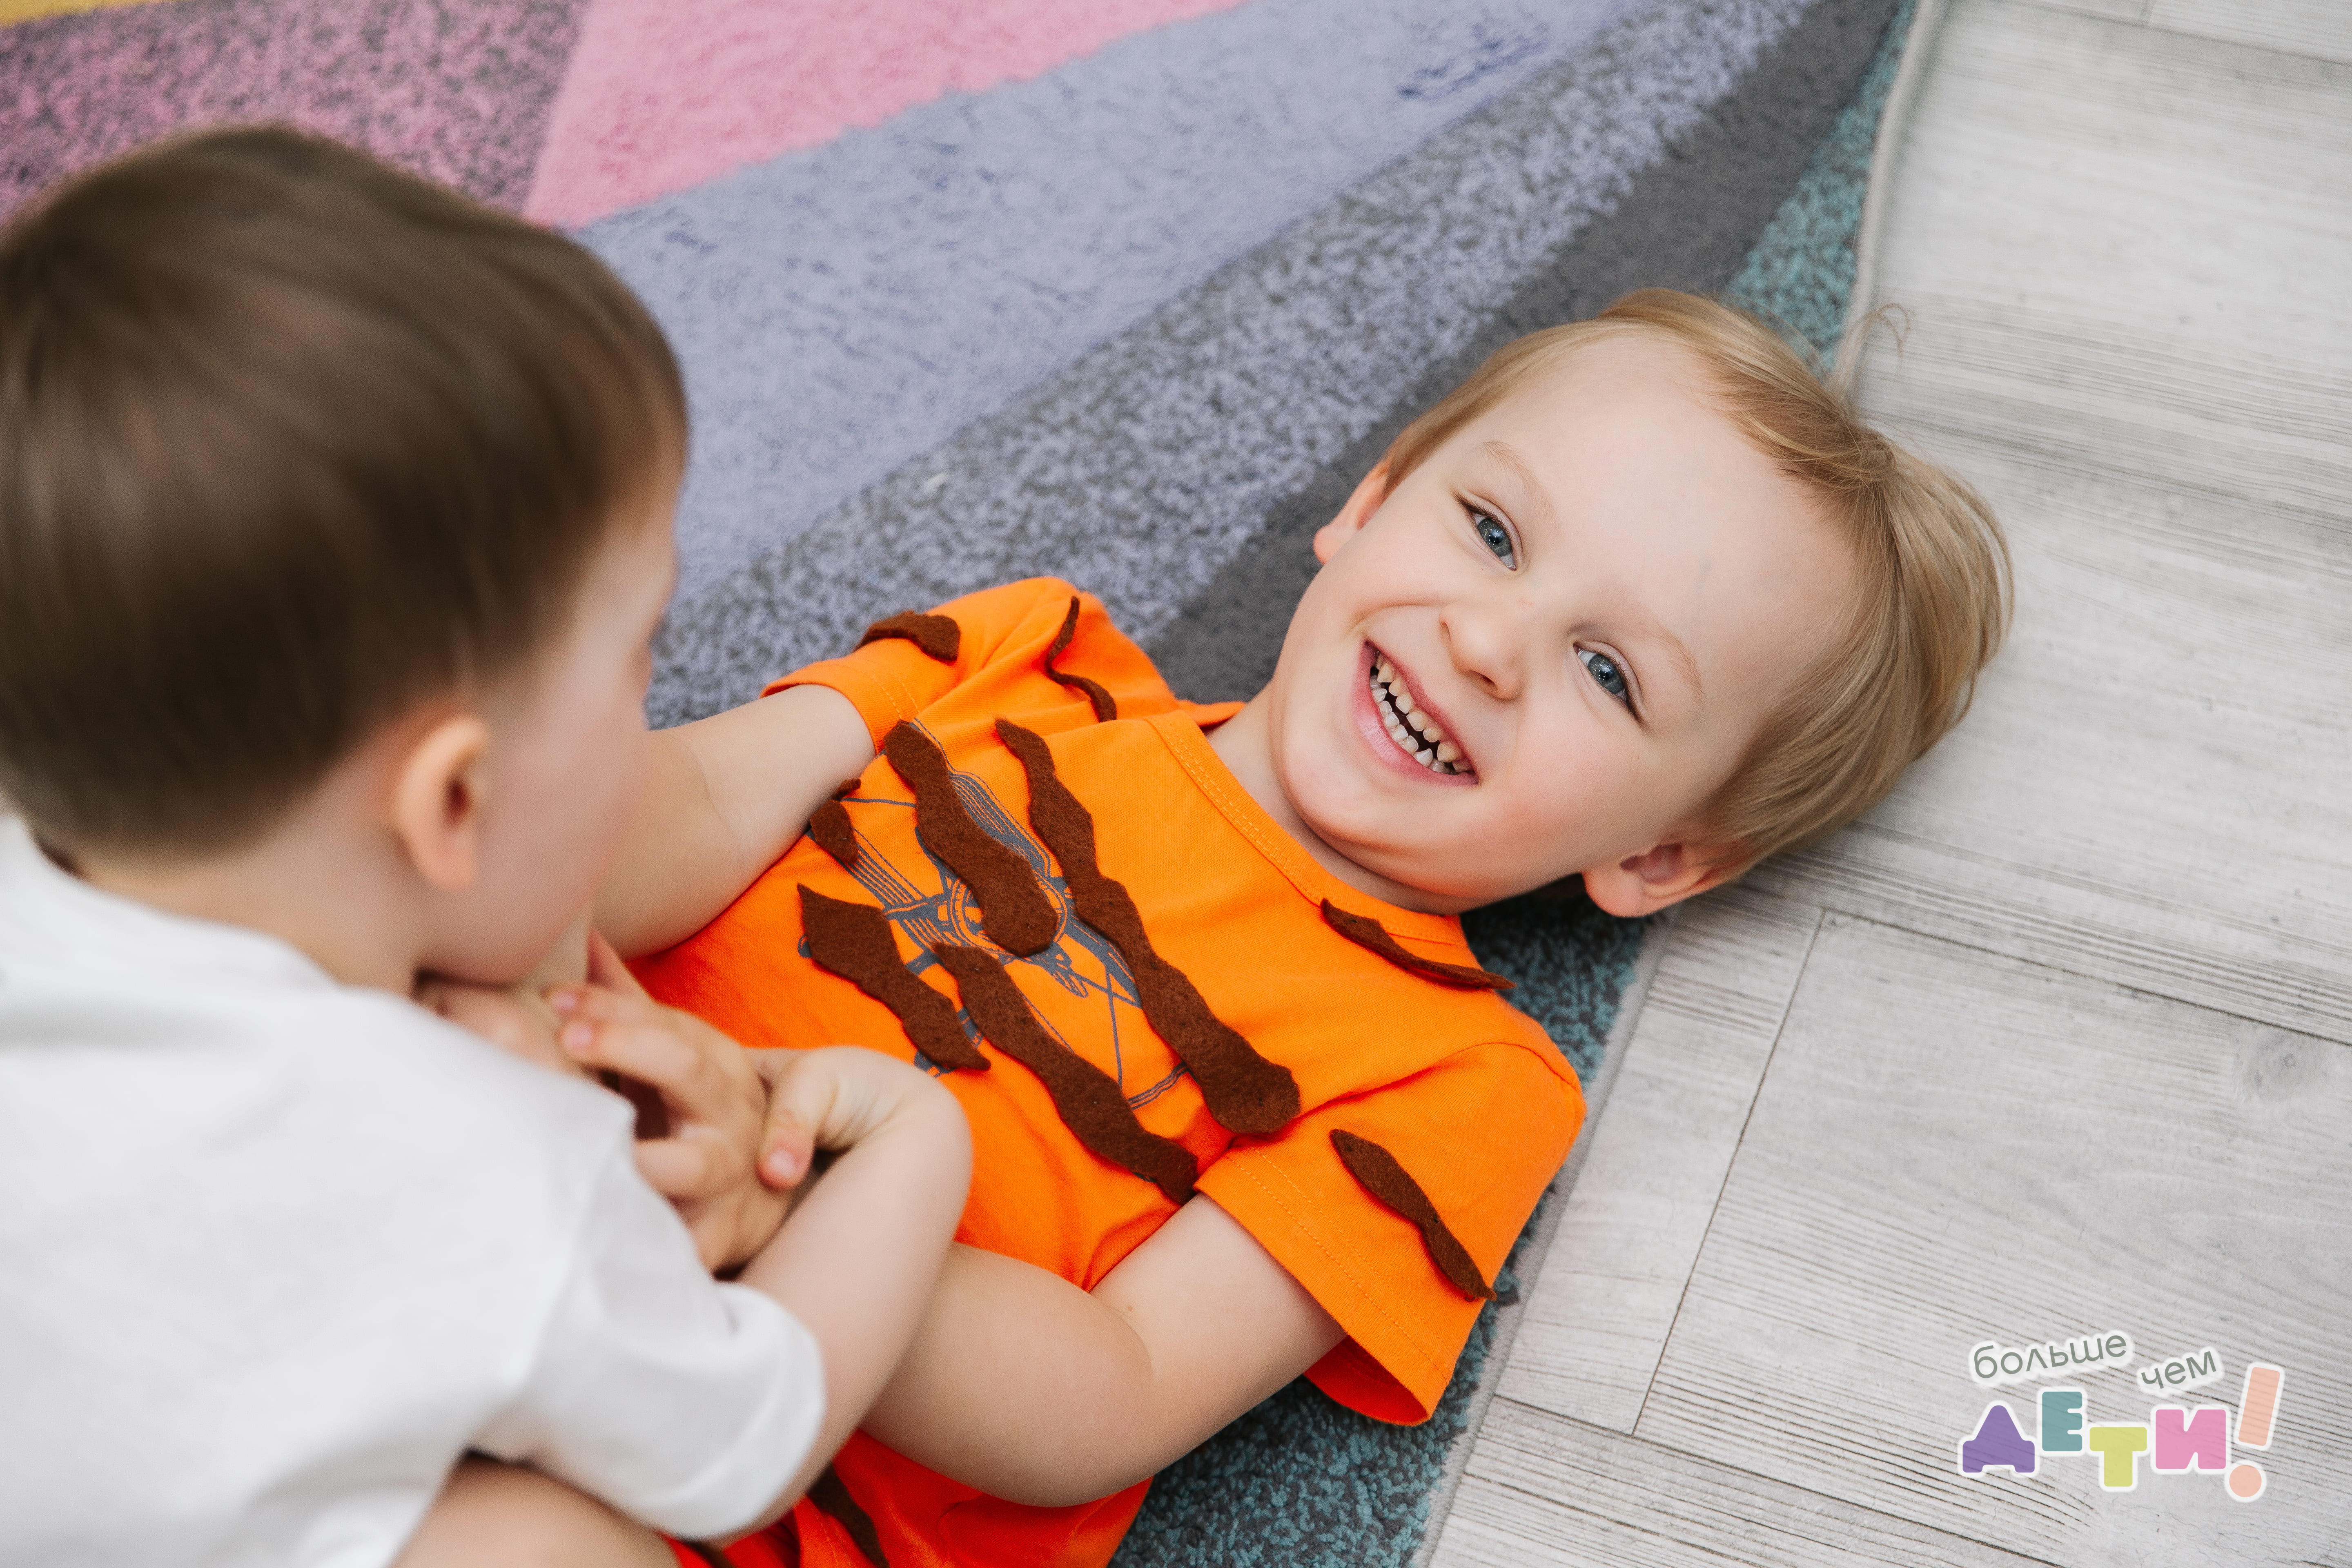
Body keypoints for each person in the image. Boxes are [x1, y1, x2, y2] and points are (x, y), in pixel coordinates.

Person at [593, 288, 2013, 1565]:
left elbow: (1122, 1386)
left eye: (1608, 673)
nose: (1487, 644)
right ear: (1372, 497)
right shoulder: (1028, 654)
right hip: (532, 1106)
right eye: (1494, 533)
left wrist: (789, 1212)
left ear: (1659, 852)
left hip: (727, 1493)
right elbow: (691, 801)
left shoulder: (1463, 1079)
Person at [0, 128, 971, 1568]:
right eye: (640, 657)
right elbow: (739, 1444)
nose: (654, 699)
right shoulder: (481, 1165)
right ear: (451, 805)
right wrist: (911, 1138)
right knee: (553, 1537)